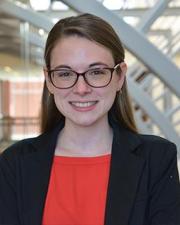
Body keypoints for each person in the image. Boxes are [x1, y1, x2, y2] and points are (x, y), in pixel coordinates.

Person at [0, 13, 180, 225]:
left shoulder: (157, 159)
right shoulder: (14, 163)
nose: (82, 89)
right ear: (49, 79)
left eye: (96, 72)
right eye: (65, 74)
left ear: (119, 76)